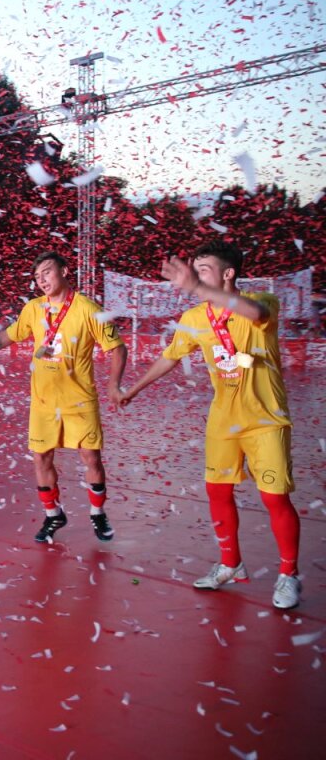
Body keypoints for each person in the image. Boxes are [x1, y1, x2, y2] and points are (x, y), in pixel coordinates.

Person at [120, 240, 301, 609]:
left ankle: (288, 574)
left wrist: (197, 287)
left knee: (274, 497)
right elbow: (170, 357)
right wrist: (132, 390)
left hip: (265, 419)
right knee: (218, 493)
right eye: (195, 271)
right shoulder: (194, 319)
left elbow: (251, 312)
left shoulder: (263, 301)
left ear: (228, 273)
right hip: (223, 422)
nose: (195, 277)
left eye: (203, 270)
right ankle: (230, 565)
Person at [0, 251, 126, 543]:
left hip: (79, 400)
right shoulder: (34, 309)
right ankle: (53, 515)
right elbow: (8, 336)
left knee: (91, 458)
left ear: (63, 271)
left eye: (47, 272)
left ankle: (97, 513)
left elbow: (118, 348)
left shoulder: (88, 309)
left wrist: (114, 385)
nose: (42, 280)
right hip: (44, 402)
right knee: (41, 459)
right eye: (37, 277)